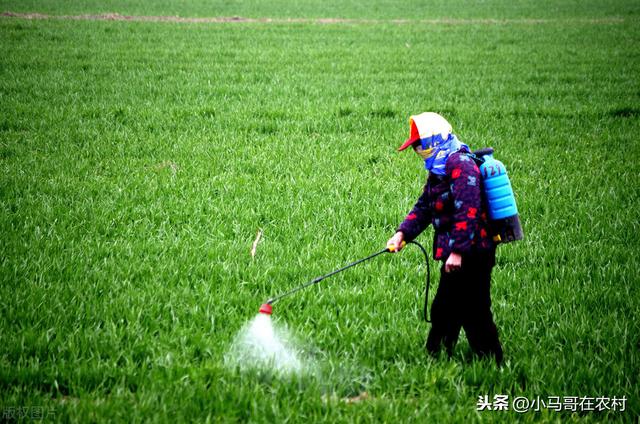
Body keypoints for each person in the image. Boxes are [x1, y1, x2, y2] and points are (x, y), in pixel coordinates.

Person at [387, 112, 503, 365]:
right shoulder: (439, 169)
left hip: (474, 252)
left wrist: (458, 251)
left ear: (433, 141)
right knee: (444, 307)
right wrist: (402, 233)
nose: (416, 150)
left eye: (418, 145)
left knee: (475, 311)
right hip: (457, 251)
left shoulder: (460, 165)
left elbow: (468, 210)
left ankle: (492, 362)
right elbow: (425, 207)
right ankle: (437, 355)